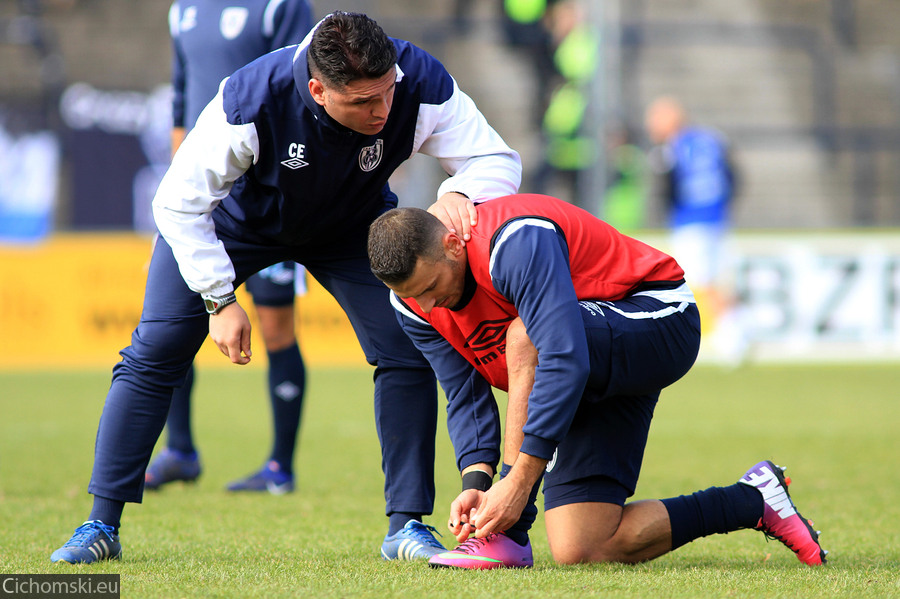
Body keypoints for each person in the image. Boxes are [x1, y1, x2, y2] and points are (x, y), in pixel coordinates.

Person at [50, 11, 521, 564]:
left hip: (352, 230)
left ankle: (406, 527)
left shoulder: (419, 80)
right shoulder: (249, 99)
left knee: (405, 348)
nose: (383, 111)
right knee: (154, 352)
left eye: (387, 94)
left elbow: (495, 157)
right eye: (363, 102)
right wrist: (219, 298)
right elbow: (176, 203)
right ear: (318, 89)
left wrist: (460, 191)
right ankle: (99, 524)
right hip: (232, 226)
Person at [367, 194, 827, 569]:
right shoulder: (413, 307)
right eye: (412, 297)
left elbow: (562, 354)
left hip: (656, 317)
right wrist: (478, 482)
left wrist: (515, 486)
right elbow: (465, 396)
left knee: (525, 336)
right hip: (585, 367)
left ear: (452, 244)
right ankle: (753, 499)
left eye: (430, 288)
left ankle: (507, 535)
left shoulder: (515, 240)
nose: (429, 306)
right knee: (583, 546)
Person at [142, 0, 315, 496]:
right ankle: (180, 451)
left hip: (265, 197)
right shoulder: (183, 9)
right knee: (171, 319)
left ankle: (280, 466)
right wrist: (180, 187)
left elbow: (299, 85)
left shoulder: (281, 6)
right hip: (203, 191)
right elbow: (180, 96)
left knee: (277, 325)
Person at [645, 96, 746, 361]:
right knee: (719, 278)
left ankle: (729, 336)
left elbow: (666, 188)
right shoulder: (712, 140)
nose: (651, 126)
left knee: (701, 279)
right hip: (718, 217)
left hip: (689, 221)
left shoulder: (669, 149)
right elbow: (733, 176)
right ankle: (734, 330)